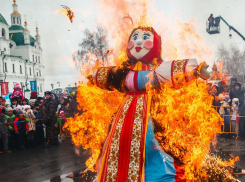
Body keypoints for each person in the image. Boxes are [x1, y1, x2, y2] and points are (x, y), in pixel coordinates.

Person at [80, 26, 211, 181]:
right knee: (117, 146)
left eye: (145, 38)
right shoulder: (124, 71)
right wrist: (93, 78)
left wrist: (196, 70)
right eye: (134, 37)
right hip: (124, 114)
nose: (139, 42)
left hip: (151, 113)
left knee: (154, 147)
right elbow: (109, 76)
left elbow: (175, 70)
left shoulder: (158, 69)